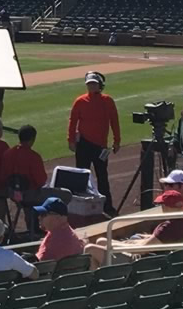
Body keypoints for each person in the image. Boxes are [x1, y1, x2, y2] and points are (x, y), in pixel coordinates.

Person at [66, 71, 121, 202]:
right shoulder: (80, 101)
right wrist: (71, 140)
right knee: (81, 176)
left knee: (102, 176)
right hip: (83, 144)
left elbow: (114, 121)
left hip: (101, 145)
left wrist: (117, 140)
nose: (91, 86)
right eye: (89, 84)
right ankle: (80, 203)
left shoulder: (108, 101)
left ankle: (107, 205)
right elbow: (72, 121)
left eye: (94, 84)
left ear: (100, 85)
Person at [3, 124, 47, 231]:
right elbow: (41, 181)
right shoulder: (34, 157)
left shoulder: (8, 153)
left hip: (11, 193)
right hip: (29, 195)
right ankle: (40, 228)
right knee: (63, 196)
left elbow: (4, 175)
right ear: (32, 139)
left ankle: (32, 227)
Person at [33, 195, 86, 264]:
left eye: (43, 214)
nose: (39, 217)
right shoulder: (66, 232)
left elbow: (39, 266)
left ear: (57, 218)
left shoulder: (56, 239)